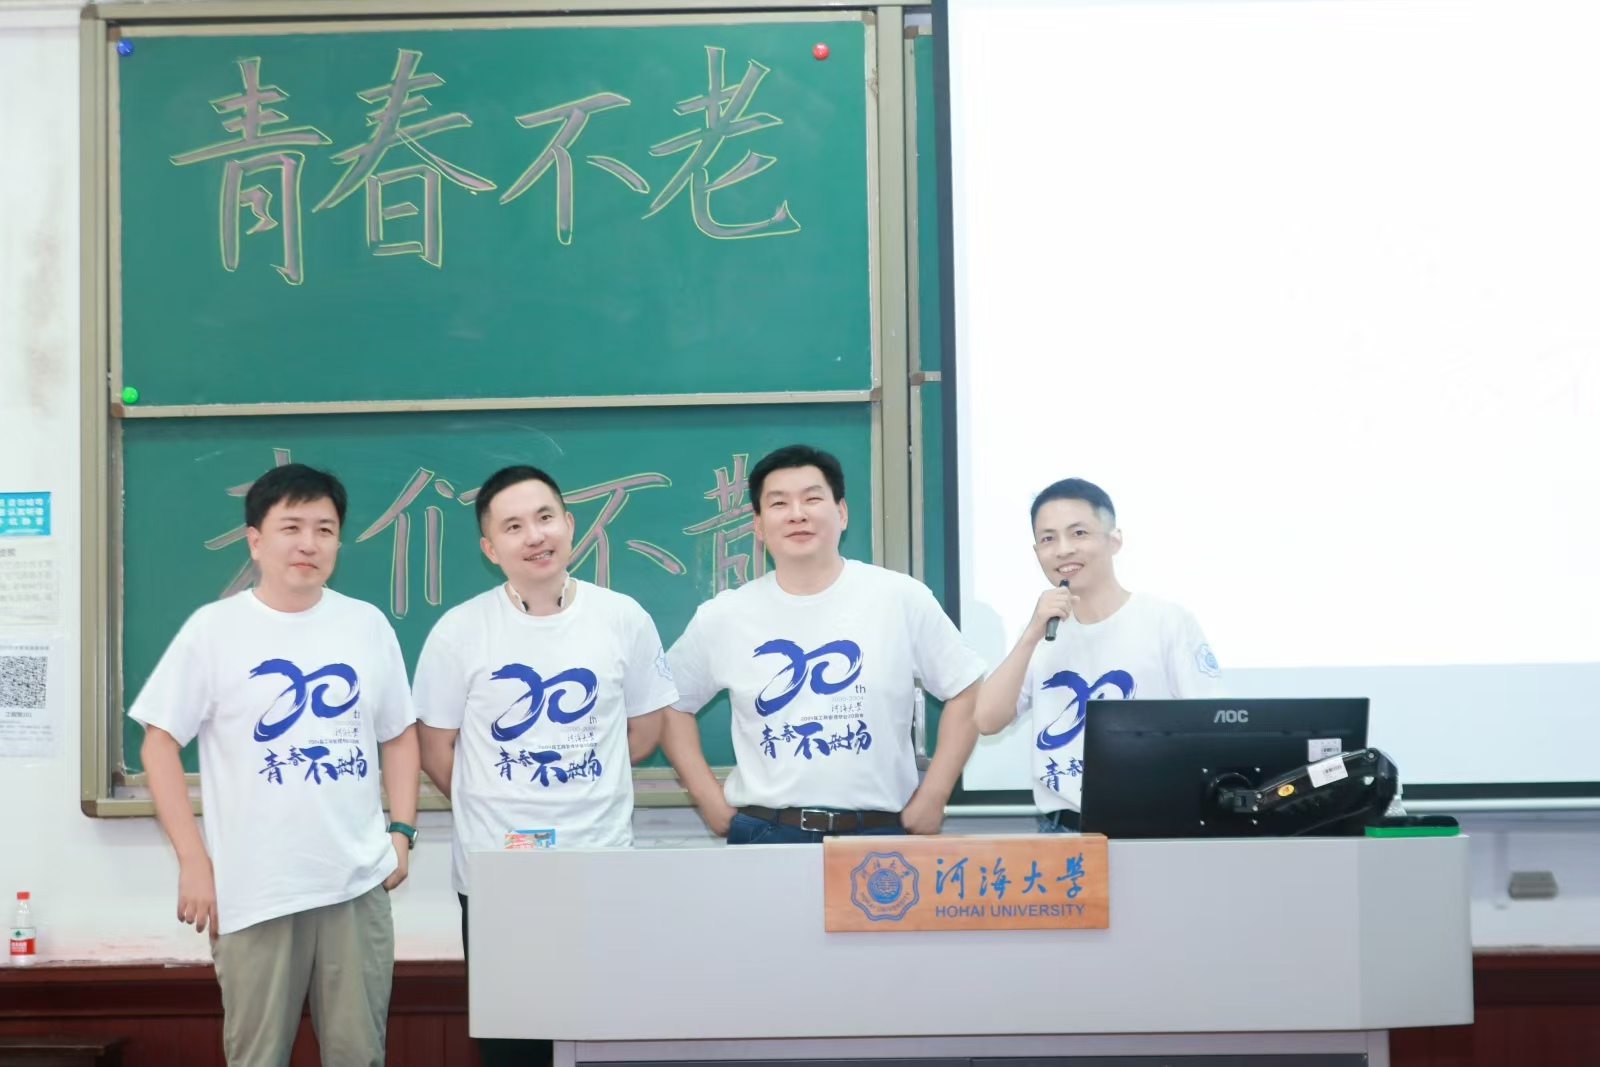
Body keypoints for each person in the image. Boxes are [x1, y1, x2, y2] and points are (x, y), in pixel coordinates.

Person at [132, 463, 420, 1067]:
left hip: (355, 882)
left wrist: (402, 832)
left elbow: (398, 735)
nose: (309, 543)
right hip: (255, 887)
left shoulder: (366, 625)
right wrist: (193, 861)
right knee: (257, 1057)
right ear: (255, 540)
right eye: (291, 527)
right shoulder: (214, 630)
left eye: (325, 529)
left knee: (359, 1055)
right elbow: (158, 744)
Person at [414, 465, 676, 1067]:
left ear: (569, 524)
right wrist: (495, 800)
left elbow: (643, 731)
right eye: (513, 526)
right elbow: (435, 749)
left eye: (544, 518)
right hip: (498, 875)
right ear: (489, 548)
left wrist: (578, 777)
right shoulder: (459, 631)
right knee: (515, 1047)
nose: (534, 536)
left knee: (605, 1039)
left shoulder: (623, 617)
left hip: (601, 865)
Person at [660, 444, 987, 843]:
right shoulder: (724, 616)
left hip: (878, 833)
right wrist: (709, 800)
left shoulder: (899, 597)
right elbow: (667, 704)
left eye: (813, 499)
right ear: (758, 525)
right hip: (766, 832)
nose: (797, 514)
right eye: (779, 503)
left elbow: (967, 688)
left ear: (842, 513)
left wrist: (935, 793)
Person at [973, 478, 1222, 831]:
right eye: (1048, 539)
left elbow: (1213, 725)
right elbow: (986, 721)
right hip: (1060, 830)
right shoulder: (1041, 632)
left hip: (1151, 824)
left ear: (1114, 540)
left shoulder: (1165, 620)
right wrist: (1030, 634)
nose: (1063, 550)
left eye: (1079, 533)